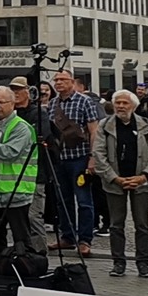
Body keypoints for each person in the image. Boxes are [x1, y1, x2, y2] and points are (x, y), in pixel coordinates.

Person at [94, 90, 148, 278]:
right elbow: (99, 154)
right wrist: (114, 177)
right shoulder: (104, 126)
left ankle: (143, 264)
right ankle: (118, 263)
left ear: (133, 106)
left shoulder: (146, 125)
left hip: (141, 182)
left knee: (142, 224)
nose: (120, 106)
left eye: (124, 103)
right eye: (117, 102)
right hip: (114, 182)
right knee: (115, 224)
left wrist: (145, 176)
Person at [0, 85, 40, 284]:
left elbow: (9, 153)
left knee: (20, 236)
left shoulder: (21, 127)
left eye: (1, 103)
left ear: (12, 103)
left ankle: (26, 275)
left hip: (14, 189)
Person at [44, 69, 102, 257]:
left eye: (62, 79)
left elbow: (94, 130)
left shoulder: (85, 101)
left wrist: (93, 157)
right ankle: (67, 236)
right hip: (60, 159)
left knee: (84, 201)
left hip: (80, 157)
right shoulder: (52, 104)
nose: (58, 83)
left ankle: (85, 239)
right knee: (62, 200)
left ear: (72, 82)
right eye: (56, 80)